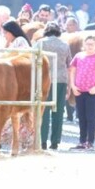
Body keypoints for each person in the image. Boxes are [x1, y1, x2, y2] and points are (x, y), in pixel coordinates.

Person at [33, 22, 72, 150]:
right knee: (58, 111)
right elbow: (69, 65)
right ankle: (55, 141)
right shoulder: (65, 45)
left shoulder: (40, 43)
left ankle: (42, 140)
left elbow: (32, 60)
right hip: (61, 79)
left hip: (44, 79)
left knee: (43, 110)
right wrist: (69, 86)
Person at [68, 35, 95, 151]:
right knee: (81, 117)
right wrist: (73, 86)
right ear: (84, 45)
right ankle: (82, 141)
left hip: (93, 92)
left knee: (91, 117)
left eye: (92, 44)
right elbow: (72, 72)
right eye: (88, 44)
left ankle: (90, 142)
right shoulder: (78, 56)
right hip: (80, 91)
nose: (90, 46)